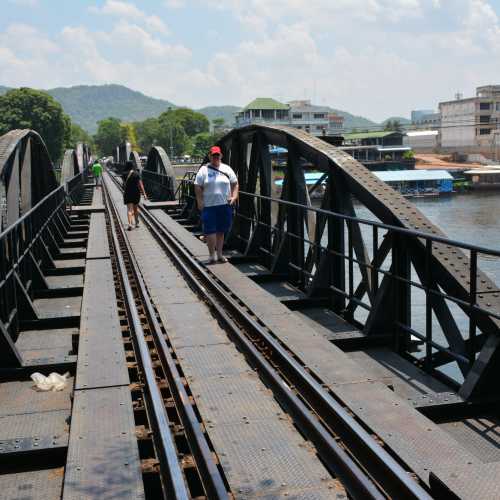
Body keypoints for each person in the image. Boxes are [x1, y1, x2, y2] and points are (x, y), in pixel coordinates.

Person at [194, 146, 239, 263]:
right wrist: (199, 201)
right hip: (209, 206)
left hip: (224, 205)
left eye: (217, 155)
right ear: (210, 156)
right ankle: (211, 255)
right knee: (210, 231)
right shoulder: (204, 170)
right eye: (213, 155)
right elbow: (197, 185)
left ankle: (219, 254)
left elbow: (235, 183)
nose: (215, 157)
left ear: (221, 156)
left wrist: (234, 196)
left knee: (221, 231)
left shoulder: (227, 169)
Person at [123, 161, 147, 231]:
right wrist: (144, 194)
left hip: (128, 193)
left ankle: (130, 223)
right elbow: (140, 184)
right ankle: (136, 223)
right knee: (135, 209)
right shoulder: (136, 173)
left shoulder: (124, 174)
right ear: (133, 166)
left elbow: (124, 184)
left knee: (129, 209)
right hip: (136, 193)